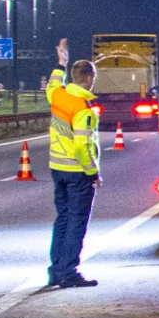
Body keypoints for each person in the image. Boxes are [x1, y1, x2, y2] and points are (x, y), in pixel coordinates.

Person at [43, 42, 102, 288]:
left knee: (63, 219)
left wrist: (60, 63)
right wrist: (93, 172)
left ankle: (56, 270)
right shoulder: (82, 109)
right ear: (88, 79)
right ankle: (69, 272)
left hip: (57, 169)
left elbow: (52, 83)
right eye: (93, 78)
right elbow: (81, 147)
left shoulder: (58, 96)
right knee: (77, 222)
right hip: (77, 173)